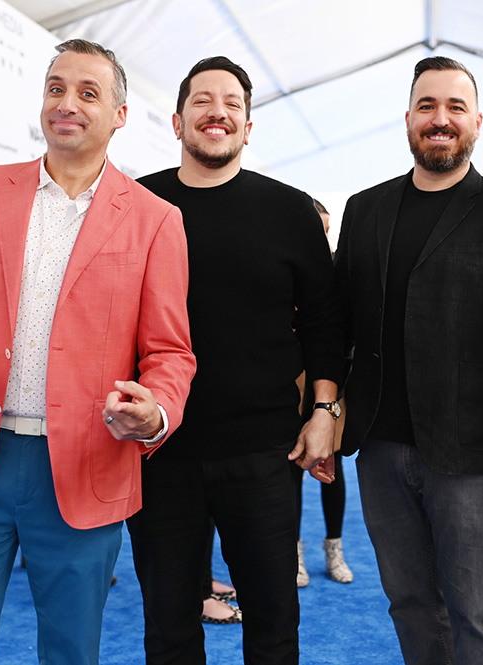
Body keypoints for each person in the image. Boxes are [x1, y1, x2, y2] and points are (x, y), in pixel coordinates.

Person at [0, 39, 196, 665]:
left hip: (87, 465)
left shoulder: (155, 220)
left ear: (119, 114)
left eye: (89, 93)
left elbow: (170, 353)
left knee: (70, 653)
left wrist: (156, 411)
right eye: (56, 88)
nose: (67, 103)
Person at [335, 57, 483, 664]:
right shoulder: (364, 210)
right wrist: (326, 411)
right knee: (408, 602)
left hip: (473, 459)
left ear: (477, 123)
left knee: (477, 612)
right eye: (427, 106)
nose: (441, 120)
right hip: (379, 449)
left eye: (455, 108)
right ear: (408, 119)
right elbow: (340, 326)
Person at [126, 56, 343, 665]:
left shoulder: (292, 211)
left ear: (248, 126)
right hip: (159, 452)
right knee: (168, 629)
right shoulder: (137, 204)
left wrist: (324, 410)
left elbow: (326, 322)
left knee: (273, 624)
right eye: (202, 101)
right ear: (176, 121)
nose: (217, 112)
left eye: (232, 104)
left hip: (265, 454)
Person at [292, 198, 353, 587]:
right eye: (318, 228)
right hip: (289, 380)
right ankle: (294, 552)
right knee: (291, 465)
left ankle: (335, 548)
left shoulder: (338, 268)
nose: (324, 237)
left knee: (335, 464)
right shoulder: (286, 262)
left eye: (328, 230)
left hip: (333, 382)